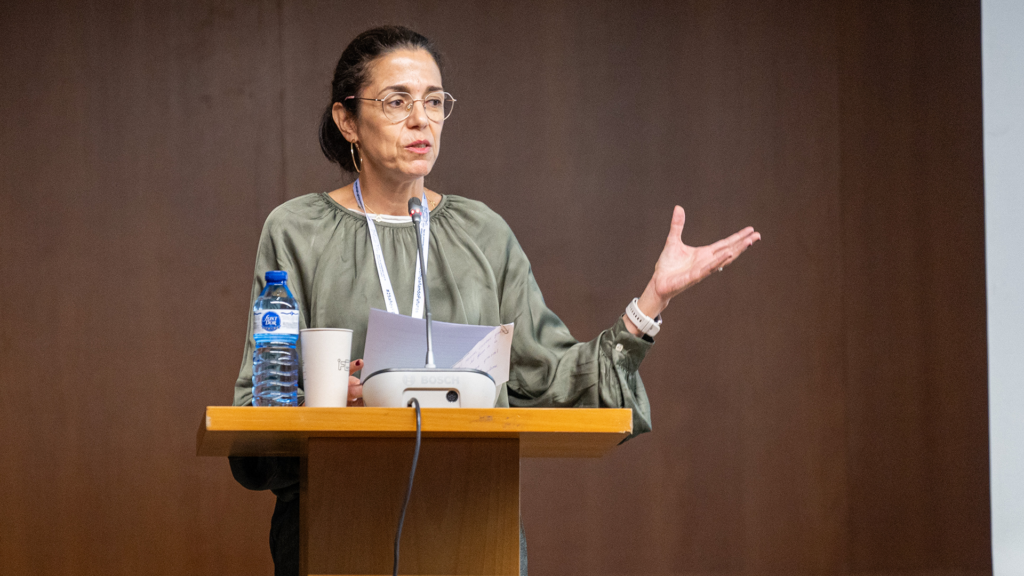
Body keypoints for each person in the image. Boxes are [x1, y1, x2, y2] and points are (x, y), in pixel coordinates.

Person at [229, 25, 760, 576]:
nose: (421, 120)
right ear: (347, 121)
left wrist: (652, 300)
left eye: (434, 102)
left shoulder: (481, 233)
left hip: (473, 522)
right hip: (334, 524)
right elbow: (260, 402)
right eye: (397, 101)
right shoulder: (297, 230)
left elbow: (550, 376)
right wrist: (327, 396)